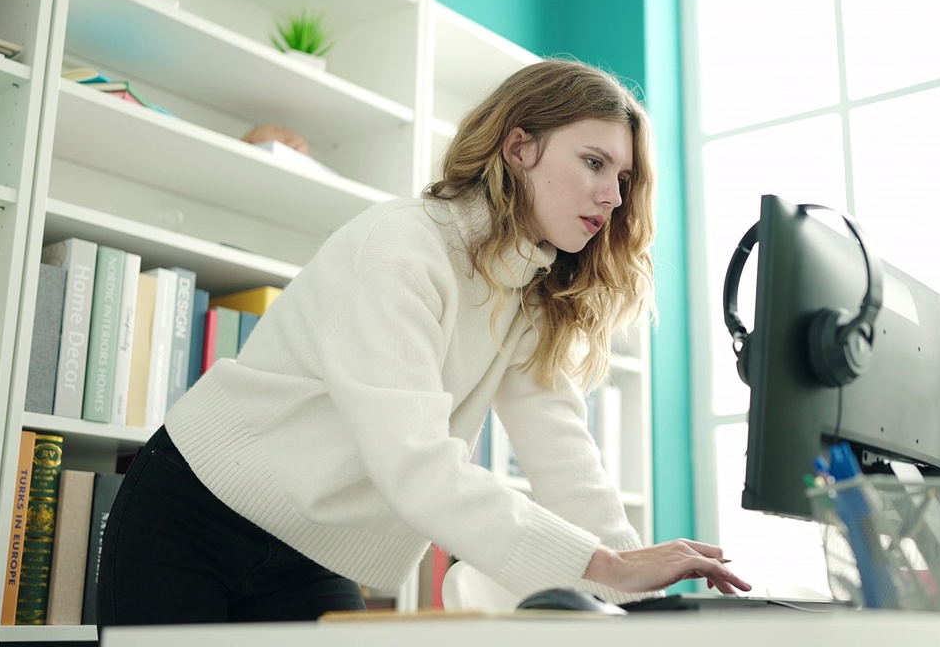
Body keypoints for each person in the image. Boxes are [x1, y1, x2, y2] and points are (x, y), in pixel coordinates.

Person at [96, 58, 751, 626]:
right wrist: (605, 564)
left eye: (624, 179)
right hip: (192, 517)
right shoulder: (402, 249)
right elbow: (417, 464)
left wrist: (634, 599)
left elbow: (565, 456)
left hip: (312, 551)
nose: (611, 195)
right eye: (593, 162)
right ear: (519, 148)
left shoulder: (530, 294)